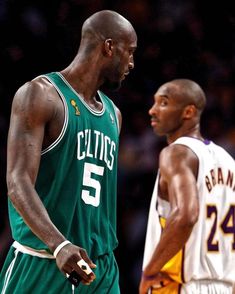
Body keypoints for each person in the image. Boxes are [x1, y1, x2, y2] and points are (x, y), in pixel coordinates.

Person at [0, 10, 137, 294]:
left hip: (99, 268)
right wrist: (59, 243)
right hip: (44, 260)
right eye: (130, 52)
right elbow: (17, 181)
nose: (132, 63)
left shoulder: (114, 115)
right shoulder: (41, 94)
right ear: (109, 47)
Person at [139, 79, 235, 294]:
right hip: (225, 286)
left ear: (188, 112)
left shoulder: (176, 153)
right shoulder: (228, 161)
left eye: (163, 103)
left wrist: (150, 272)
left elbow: (186, 215)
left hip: (181, 285)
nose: (152, 110)